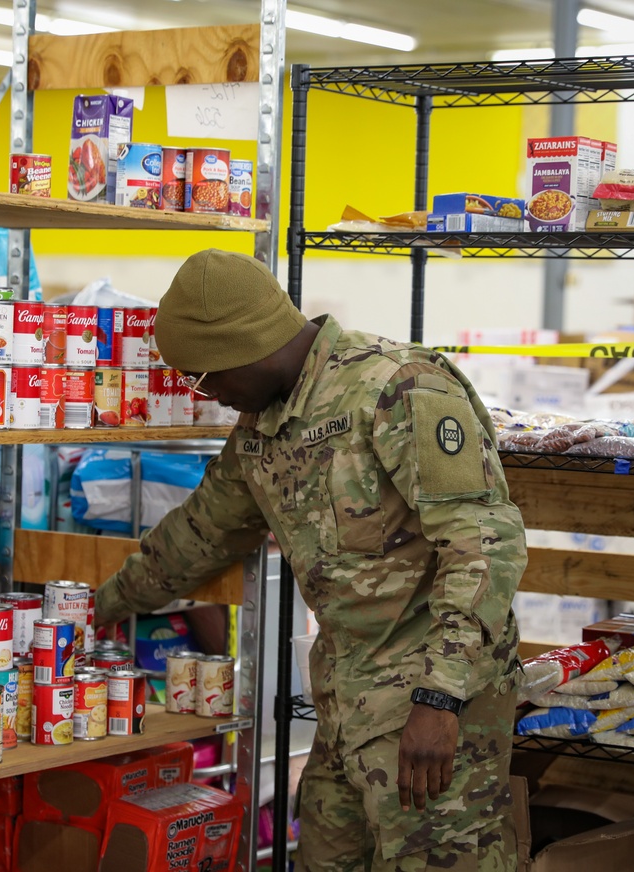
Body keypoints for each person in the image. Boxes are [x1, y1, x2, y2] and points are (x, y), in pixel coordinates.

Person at [94, 249, 526, 872]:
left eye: (203, 376)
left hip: (432, 708)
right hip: (346, 702)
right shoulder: (261, 426)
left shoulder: (398, 389)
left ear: (244, 347)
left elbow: (484, 542)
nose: (207, 395)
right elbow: (202, 532)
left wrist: (441, 700)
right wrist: (98, 608)